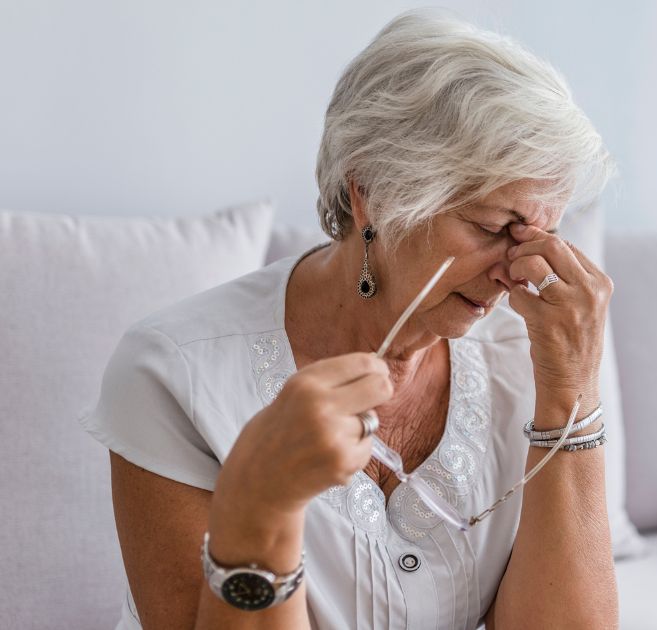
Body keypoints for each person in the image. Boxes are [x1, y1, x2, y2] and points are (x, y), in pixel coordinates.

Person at [81, 9, 619, 629]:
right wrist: (261, 508)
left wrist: (571, 392)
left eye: (543, 234)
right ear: (372, 191)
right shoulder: (174, 372)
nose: (518, 271)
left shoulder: (529, 353)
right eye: (492, 228)